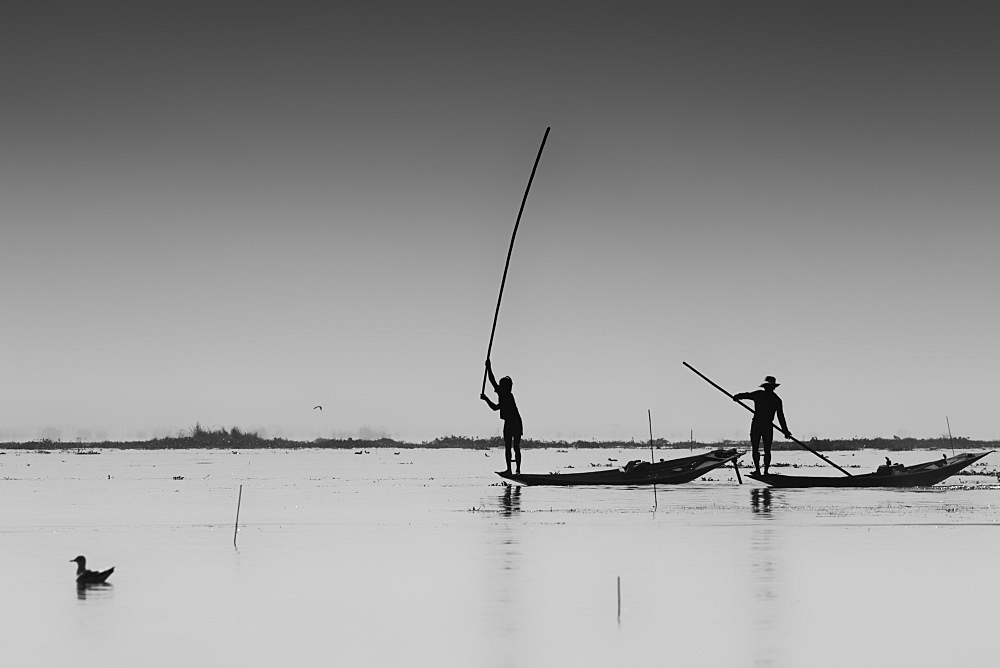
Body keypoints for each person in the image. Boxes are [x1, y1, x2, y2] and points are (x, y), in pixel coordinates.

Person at [733, 375, 791, 476]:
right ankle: (758, 470)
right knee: (755, 448)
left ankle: (765, 471)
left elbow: (781, 417)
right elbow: (747, 395)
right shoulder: (760, 395)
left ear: (773, 387)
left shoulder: (776, 400)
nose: (768, 388)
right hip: (758, 425)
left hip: (766, 426)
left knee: (766, 450)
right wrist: (737, 396)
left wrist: (785, 430)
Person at [480, 359, 523, 475]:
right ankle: (510, 469)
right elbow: (495, 406)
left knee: (515, 448)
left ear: (505, 387)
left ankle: (517, 470)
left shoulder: (506, 395)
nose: (497, 387)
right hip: (509, 422)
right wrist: (486, 399)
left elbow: (492, 381)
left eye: (501, 385)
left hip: (515, 423)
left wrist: (489, 367)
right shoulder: (504, 395)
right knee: (508, 447)